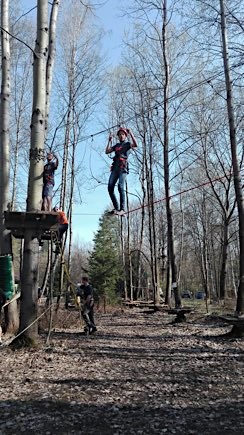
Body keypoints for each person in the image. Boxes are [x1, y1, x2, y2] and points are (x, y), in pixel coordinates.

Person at [105, 127, 138, 215]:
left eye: (122, 134)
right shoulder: (116, 146)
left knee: (120, 186)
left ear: (125, 136)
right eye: (119, 135)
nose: (121, 136)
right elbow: (107, 151)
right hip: (115, 167)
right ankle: (116, 208)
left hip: (123, 167)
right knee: (110, 187)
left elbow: (135, 144)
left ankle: (122, 209)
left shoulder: (127, 144)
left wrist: (131, 133)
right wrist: (109, 141)